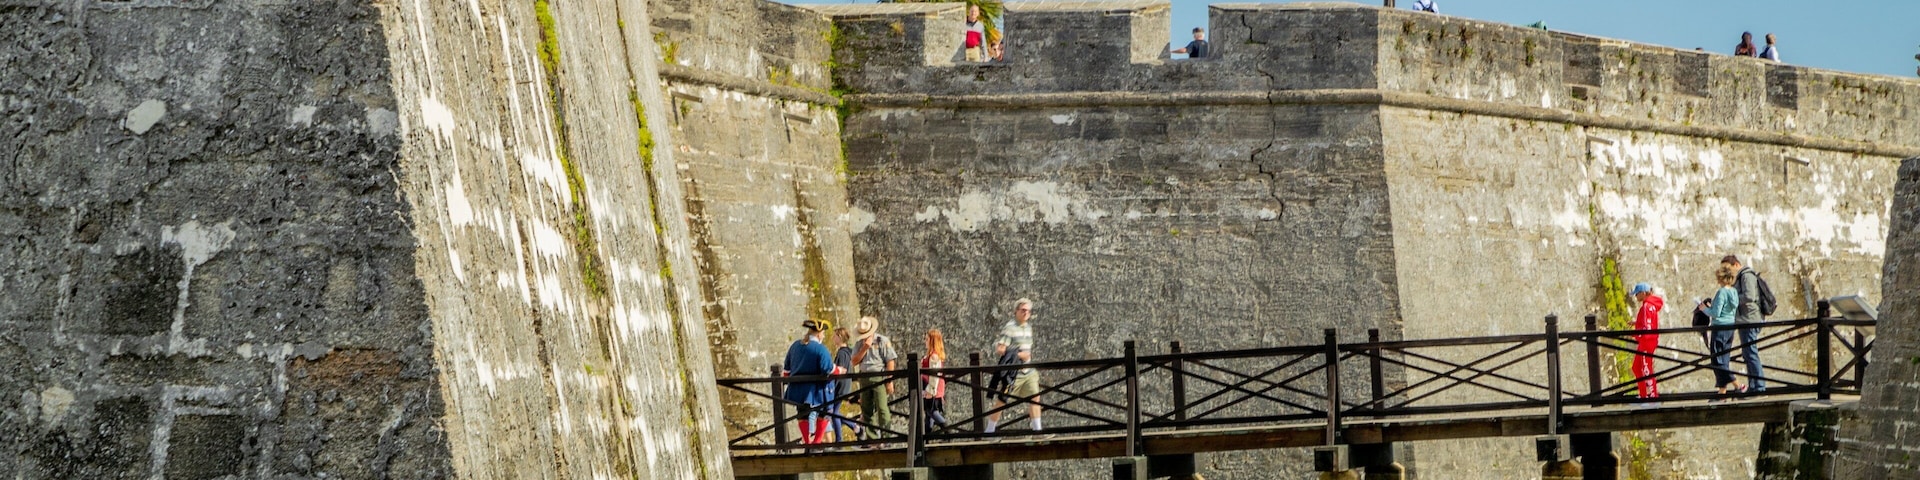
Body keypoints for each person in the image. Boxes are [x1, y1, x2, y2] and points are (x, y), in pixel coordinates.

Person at [781, 319, 842, 445]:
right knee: (825, 412)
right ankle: (817, 441)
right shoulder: (820, 349)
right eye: (823, 333)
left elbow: (786, 371)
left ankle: (807, 441)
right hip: (818, 390)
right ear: (819, 334)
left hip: (798, 389)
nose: (824, 336)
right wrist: (839, 370)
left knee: (802, 414)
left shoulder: (795, 346)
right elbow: (828, 369)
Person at [988, 298, 1043, 434]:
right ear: (1016, 311)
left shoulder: (1029, 328)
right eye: (1023, 310)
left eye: (1028, 311)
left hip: (1028, 371)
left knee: (1035, 398)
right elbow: (1000, 349)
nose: (1025, 313)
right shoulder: (1010, 328)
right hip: (1015, 373)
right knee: (1002, 400)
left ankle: (1038, 432)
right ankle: (988, 431)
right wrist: (1018, 355)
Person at [1721, 255, 1768, 392]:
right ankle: (1754, 386)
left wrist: (1731, 298)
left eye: (1727, 268)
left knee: (1751, 353)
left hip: (1750, 319)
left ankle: (1759, 387)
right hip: (1744, 319)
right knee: (1748, 353)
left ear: (1736, 264)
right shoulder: (1741, 276)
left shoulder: (1746, 275)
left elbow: (1749, 296)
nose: (1726, 271)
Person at [850, 316, 898, 441]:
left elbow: (890, 361)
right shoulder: (859, 343)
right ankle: (872, 438)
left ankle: (886, 437)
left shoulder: (882, 340)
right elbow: (854, 361)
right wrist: (865, 348)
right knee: (866, 408)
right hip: (864, 377)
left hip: (879, 377)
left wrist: (889, 380)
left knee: (882, 407)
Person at [1701, 266, 1743, 398]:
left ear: (1722, 278)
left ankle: (1738, 385)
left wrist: (1704, 309)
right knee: (1723, 359)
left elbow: (1716, 314)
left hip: (1719, 328)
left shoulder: (1722, 292)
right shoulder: (1734, 292)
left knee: (1717, 361)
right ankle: (1722, 392)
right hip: (1730, 327)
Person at [1628, 283, 1663, 403]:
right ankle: (1643, 395)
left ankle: (1652, 397)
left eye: (1637, 294)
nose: (1636, 296)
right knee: (1636, 367)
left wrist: (1635, 334)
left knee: (1646, 368)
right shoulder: (1650, 305)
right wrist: (1636, 323)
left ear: (1643, 293)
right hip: (1648, 341)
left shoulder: (1647, 306)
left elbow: (1647, 328)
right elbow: (1647, 322)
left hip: (1646, 343)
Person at [829, 326, 856, 442]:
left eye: (835, 336)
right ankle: (855, 427)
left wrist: (833, 387)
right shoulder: (850, 352)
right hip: (846, 384)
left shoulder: (841, 353)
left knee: (833, 413)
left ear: (840, 337)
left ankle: (839, 440)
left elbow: (839, 371)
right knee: (834, 412)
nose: (832, 338)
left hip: (840, 386)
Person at [921, 329, 949, 432]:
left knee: (931, 411)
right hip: (931, 387)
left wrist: (930, 390)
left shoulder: (934, 356)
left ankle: (948, 430)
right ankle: (927, 438)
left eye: (927, 339)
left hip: (933, 388)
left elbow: (934, 375)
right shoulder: (931, 355)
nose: (925, 341)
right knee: (929, 413)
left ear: (932, 340)